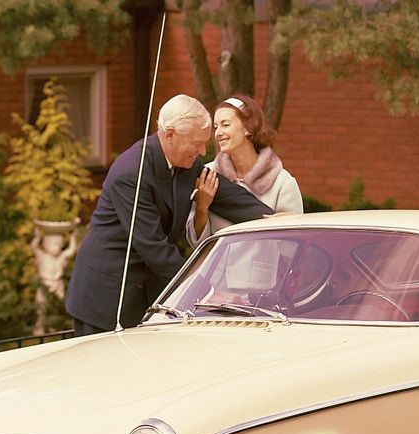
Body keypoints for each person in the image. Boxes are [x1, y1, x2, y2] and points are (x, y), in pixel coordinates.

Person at [65, 94, 274, 335]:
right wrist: (206, 292)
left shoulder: (186, 163)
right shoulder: (131, 172)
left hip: (148, 294)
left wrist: (272, 218)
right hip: (105, 299)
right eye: (196, 143)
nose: (202, 151)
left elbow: (227, 195)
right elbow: (153, 247)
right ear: (170, 134)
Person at [187, 94, 303, 246]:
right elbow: (196, 243)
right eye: (216, 127)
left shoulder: (282, 183)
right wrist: (202, 208)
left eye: (225, 125)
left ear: (248, 127)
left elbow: (294, 247)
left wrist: (285, 227)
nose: (218, 133)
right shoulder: (207, 175)